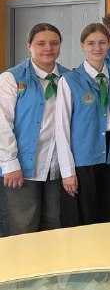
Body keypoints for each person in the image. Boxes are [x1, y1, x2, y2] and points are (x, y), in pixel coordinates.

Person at [0, 23, 66, 236]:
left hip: (56, 168)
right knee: (23, 228)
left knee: (54, 227)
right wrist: (10, 163)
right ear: (29, 46)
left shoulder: (68, 78)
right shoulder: (11, 78)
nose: (48, 48)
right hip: (22, 168)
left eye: (54, 43)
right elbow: (2, 124)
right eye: (41, 43)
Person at [55, 23, 110, 226]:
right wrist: (68, 172)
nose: (97, 48)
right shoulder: (69, 80)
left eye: (102, 42)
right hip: (81, 160)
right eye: (91, 43)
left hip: (109, 157)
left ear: (109, 44)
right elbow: (61, 129)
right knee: (80, 221)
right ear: (82, 45)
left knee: (105, 217)